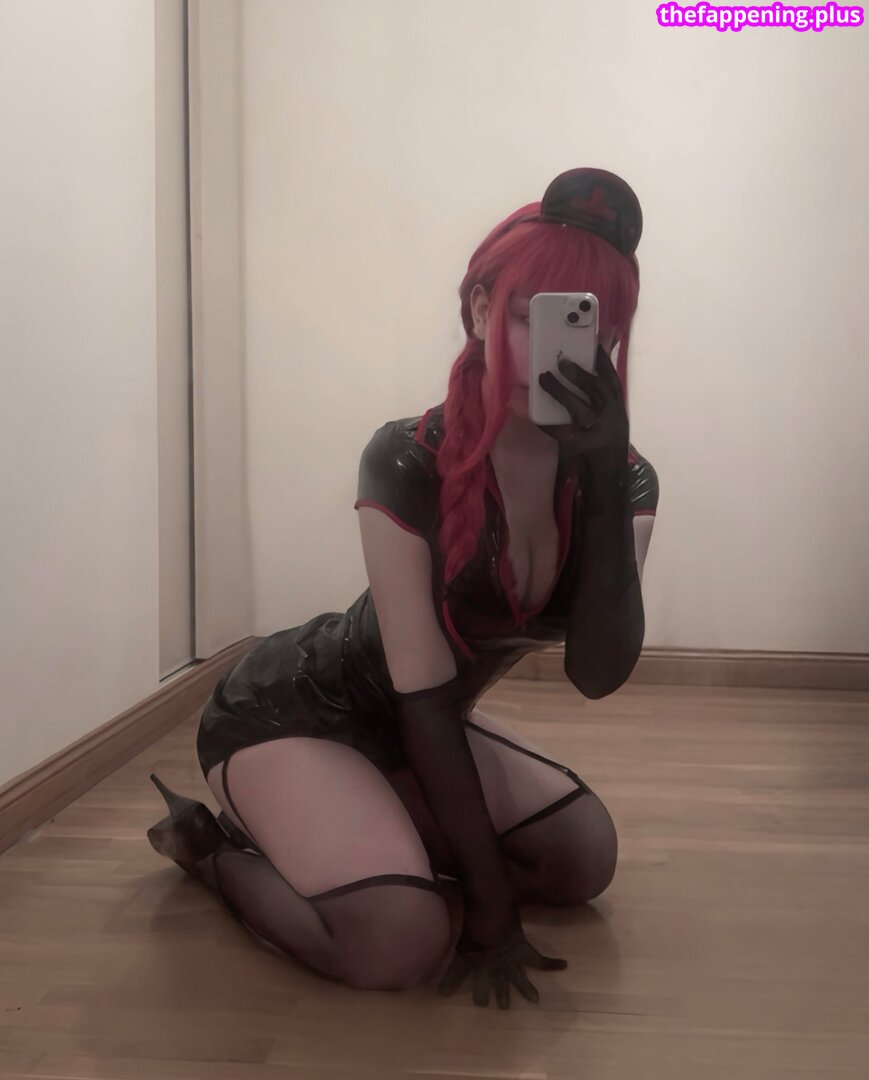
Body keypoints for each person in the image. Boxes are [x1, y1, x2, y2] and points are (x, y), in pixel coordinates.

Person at [147, 167, 659, 1009]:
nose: (556, 345)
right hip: (295, 712)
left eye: (588, 320)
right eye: (530, 313)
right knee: (399, 942)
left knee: (582, 860)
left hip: (421, 724)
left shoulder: (624, 480)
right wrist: (487, 906)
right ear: (480, 310)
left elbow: (596, 676)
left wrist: (602, 478)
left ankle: (370, 830)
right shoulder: (406, 457)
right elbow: (420, 695)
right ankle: (210, 850)